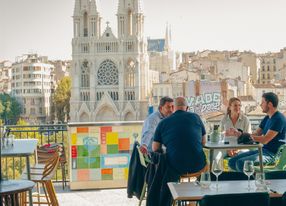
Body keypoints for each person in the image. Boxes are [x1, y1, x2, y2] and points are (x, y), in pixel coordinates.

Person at [228, 92, 286, 172]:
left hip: (272, 154)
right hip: (263, 150)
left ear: (269, 104)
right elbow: (256, 134)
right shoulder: (267, 117)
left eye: (262, 102)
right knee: (232, 161)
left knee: (241, 163)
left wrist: (244, 135)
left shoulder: (279, 119)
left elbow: (265, 139)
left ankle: (249, 182)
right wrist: (239, 134)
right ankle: (245, 180)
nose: (260, 104)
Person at [152, 97, 207, 175]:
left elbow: (155, 148)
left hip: (174, 167)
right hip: (198, 165)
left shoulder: (163, 122)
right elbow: (204, 142)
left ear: (173, 107)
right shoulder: (196, 117)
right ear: (187, 108)